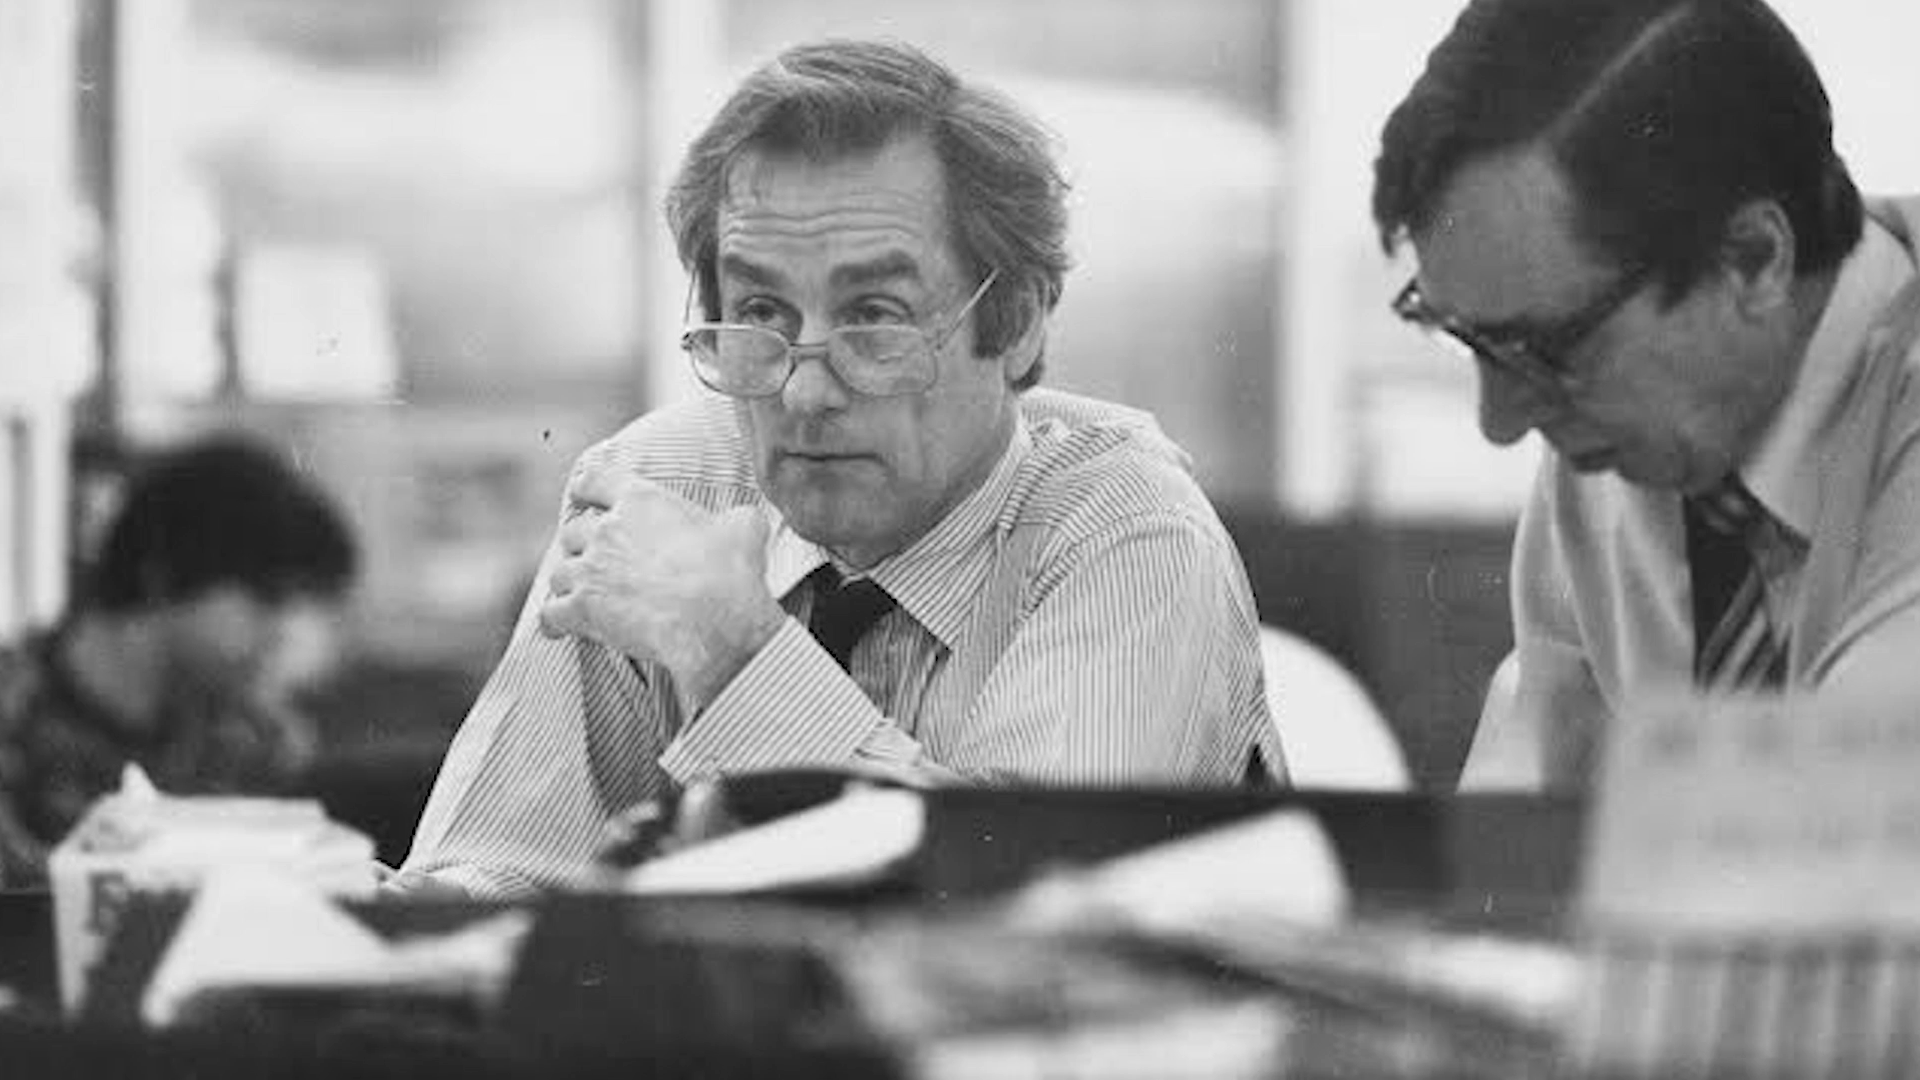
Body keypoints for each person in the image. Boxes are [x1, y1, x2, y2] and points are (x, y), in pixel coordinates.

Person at [398, 38, 1284, 899]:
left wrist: (736, 655)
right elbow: (500, 873)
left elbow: (1016, 929)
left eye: (874, 316)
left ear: (1016, 323)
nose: (804, 391)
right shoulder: (663, 481)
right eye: (760, 312)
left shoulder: (1130, 529)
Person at [1372, 0, 1920, 790]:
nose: (1501, 422)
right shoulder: (1620, 435)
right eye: (1473, 341)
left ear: (1753, 259)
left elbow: (1845, 828)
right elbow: (1542, 767)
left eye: (1543, 347)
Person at [0, 434, 358, 883]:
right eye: (267, 596)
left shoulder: (254, 744)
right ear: (163, 575)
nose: (279, 632)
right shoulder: (13, 715)